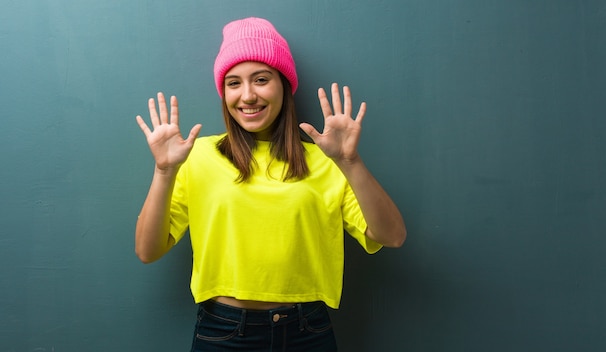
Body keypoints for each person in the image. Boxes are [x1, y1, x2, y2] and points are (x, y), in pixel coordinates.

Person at [135, 17, 406, 351]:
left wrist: (350, 162)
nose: (247, 96)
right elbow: (147, 251)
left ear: (283, 85)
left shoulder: (326, 160)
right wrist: (164, 171)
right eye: (233, 83)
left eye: (261, 79)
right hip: (224, 333)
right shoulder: (197, 155)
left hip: (307, 331)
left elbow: (392, 236)